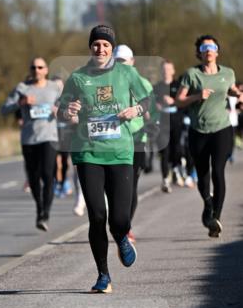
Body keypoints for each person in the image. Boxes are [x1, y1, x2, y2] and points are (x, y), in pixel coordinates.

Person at [58, 25, 152, 294]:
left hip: (121, 153)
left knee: (119, 218)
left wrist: (136, 109)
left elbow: (148, 100)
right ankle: (103, 275)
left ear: (112, 48)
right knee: (97, 215)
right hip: (88, 153)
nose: (100, 49)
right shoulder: (77, 78)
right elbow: (62, 111)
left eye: (105, 45)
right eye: (96, 44)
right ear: (90, 47)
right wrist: (69, 111)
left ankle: (122, 236)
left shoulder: (126, 73)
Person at [175, 35, 240, 237]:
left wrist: (238, 95)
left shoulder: (228, 73)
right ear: (199, 52)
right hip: (198, 130)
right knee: (202, 172)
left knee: (218, 171)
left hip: (221, 128)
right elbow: (179, 101)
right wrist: (197, 96)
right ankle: (207, 203)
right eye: (204, 47)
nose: (208, 50)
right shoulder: (192, 74)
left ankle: (215, 219)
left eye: (212, 46)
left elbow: (231, 90)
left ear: (217, 52)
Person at [1, 57, 61, 230]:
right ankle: (39, 209)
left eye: (40, 67)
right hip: (29, 139)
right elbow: (4, 109)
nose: (37, 70)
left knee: (47, 175)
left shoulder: (54, 88)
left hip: (49, 137)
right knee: (34, 177)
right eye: (33, 67)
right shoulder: (22, 88)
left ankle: (46, 214)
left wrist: (59, 110)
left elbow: (66, 107)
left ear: (46, 70)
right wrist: (21, 103)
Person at [112, 45, 154, 240]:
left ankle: (125, 227)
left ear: (132, 61)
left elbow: (150, 110)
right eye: (117, 61)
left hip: (136, 140)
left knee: (130, 186)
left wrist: (144, 114)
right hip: (113, 139)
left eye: (124, 61)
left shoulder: (142, 83)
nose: (121, 64)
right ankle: (118, 222)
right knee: (113, 187)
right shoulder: (106, 81)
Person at [154, 60, 184, 192]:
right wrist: (158, 105)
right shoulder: (157, 87)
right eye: (164, 69)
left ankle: (176, 169)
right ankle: (165, 179)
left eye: (168, 69)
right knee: (164, 150)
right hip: (162, 121)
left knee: (176, 149)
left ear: (173, 71)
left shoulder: (178, 85)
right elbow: (151, 104)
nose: (166, 71)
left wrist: (174, 101)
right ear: (162, 71)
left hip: (176, 120)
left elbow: (184, 102)